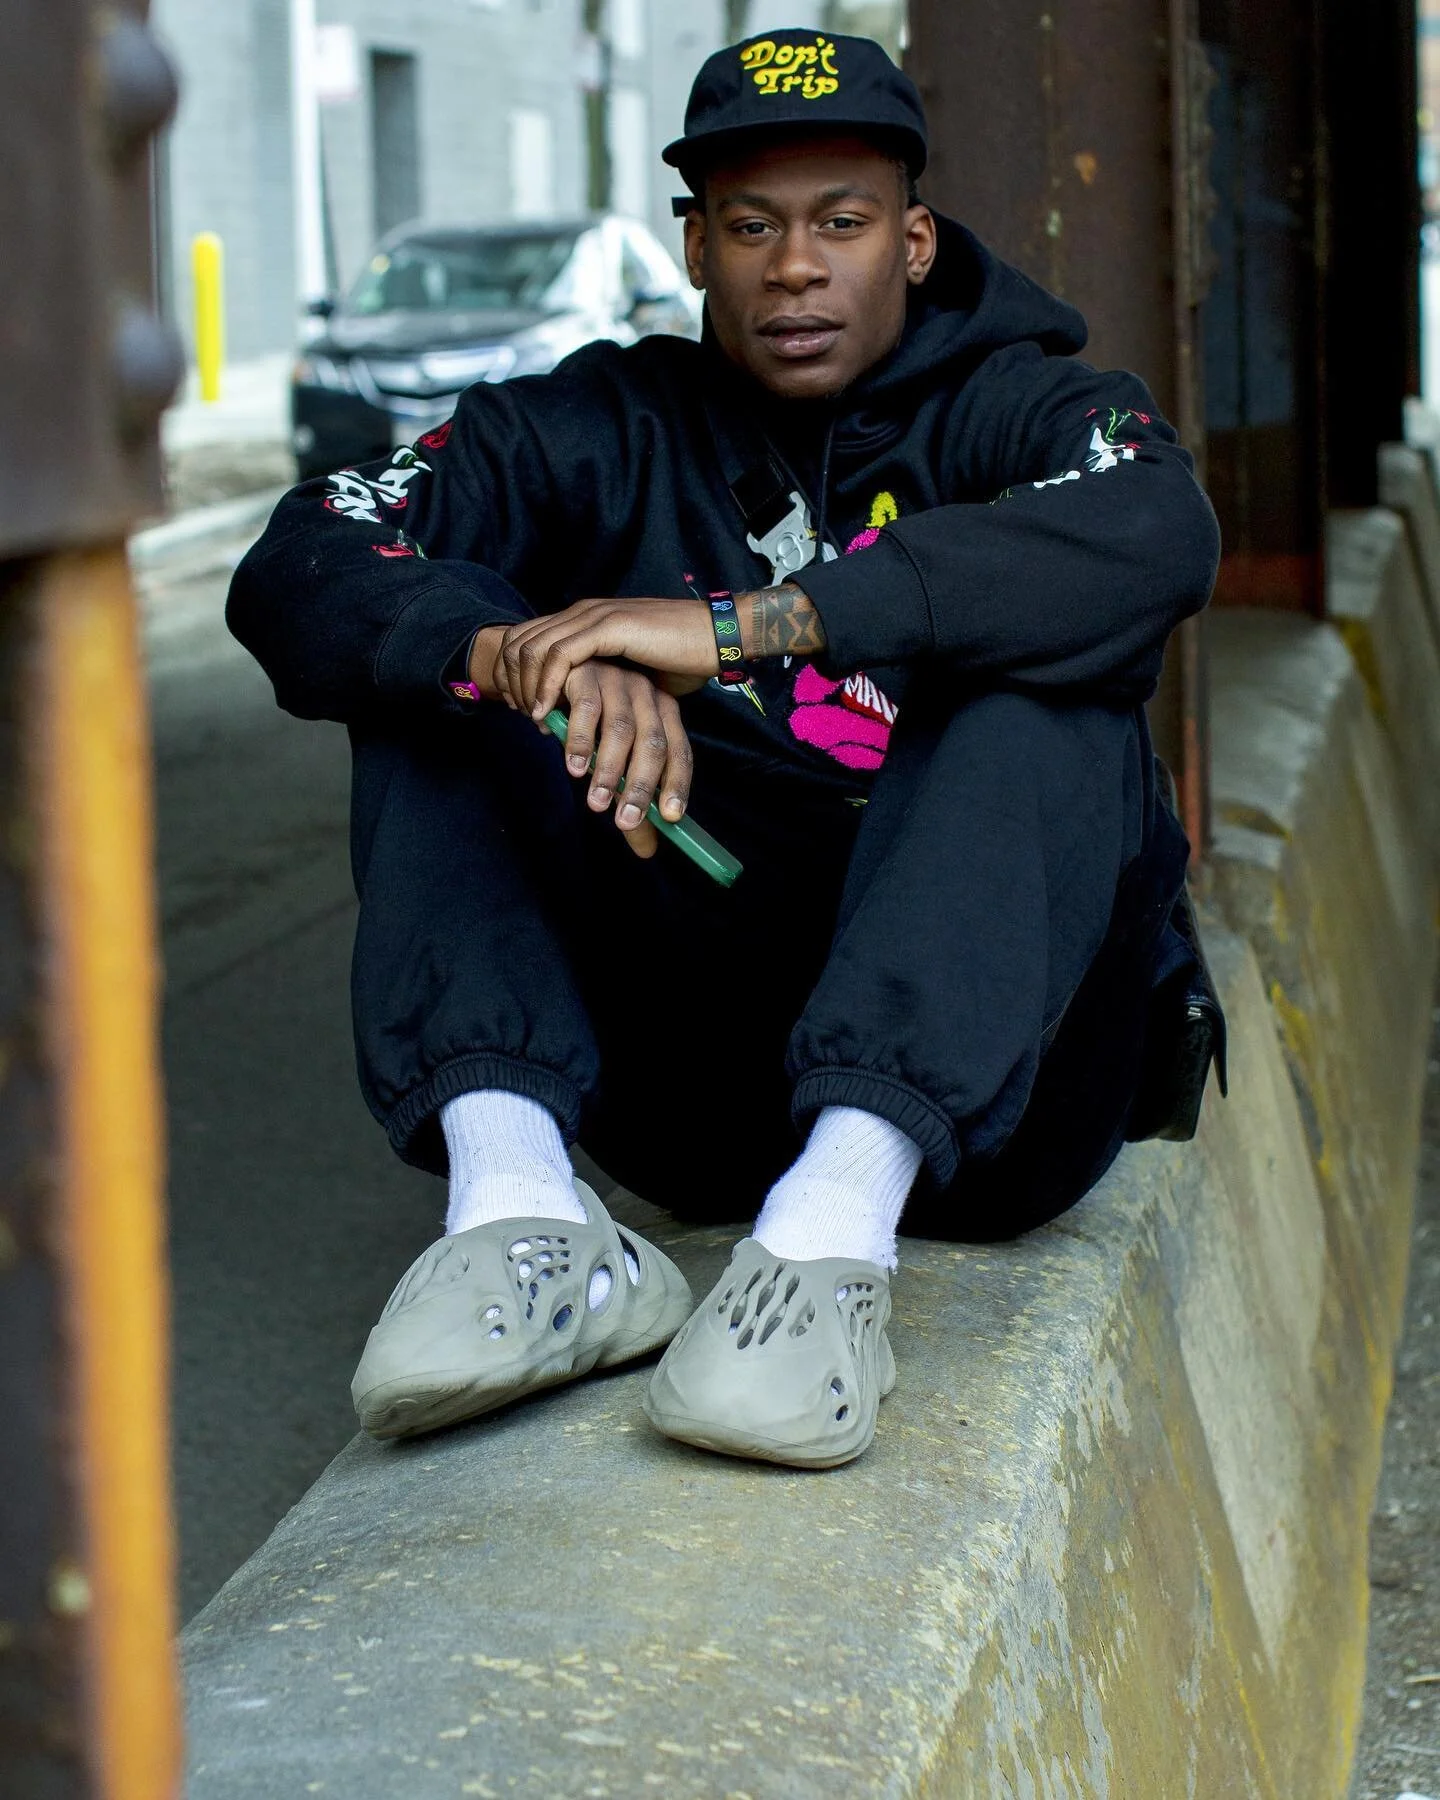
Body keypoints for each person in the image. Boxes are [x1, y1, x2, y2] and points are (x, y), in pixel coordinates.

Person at [228, 29, 1221, 1469]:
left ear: (918, 240)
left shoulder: (1031, 409)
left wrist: (752, 624)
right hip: (700, 1092)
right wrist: (513, 654)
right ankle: (522, 1215)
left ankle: (832, 1240)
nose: (795, 266)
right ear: (695, 247)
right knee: (431, 669)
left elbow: (1158, 532)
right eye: (751, 225)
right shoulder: (597, 424)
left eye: (843, 222)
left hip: (1002, 1098)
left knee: (1049, 670)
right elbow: (309, 551)